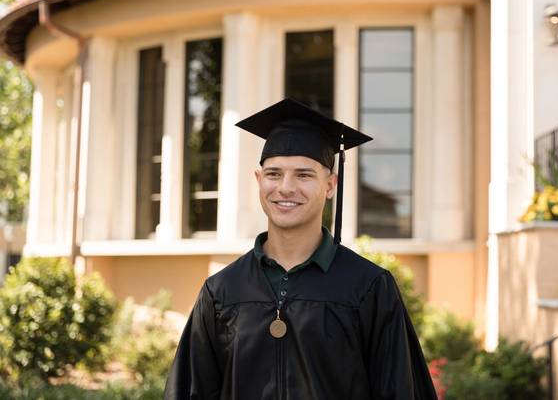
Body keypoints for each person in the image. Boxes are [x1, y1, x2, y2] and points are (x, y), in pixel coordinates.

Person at [164, 98, 437, 399]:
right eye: (274, 174)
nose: (285, 188)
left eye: (304, 175)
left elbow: (399, 390)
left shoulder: (368, 288)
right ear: (259, 180)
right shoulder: (222, 291)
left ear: (330, 185)